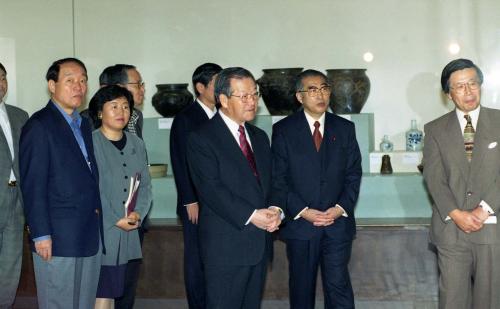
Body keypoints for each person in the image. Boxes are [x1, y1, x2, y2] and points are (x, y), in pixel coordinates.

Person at [186, 67, 282, 309]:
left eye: (254, 94)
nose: (252, 102)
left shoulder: (259, 136)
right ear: (224, 100)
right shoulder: (202, 138)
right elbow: (211, 189)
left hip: (258, 244)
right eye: (244, 96)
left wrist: (276, 209)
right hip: (225, 247)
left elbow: (272, 182)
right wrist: (253, 215)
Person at [271, 69, 362, 309]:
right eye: (312, 90)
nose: (320, 95)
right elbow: (279, 178)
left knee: (338, 286)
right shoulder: (284, 130)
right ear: (299, 97)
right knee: (301, 288)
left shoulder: (344, 128)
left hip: (336, 223)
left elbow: (353, 174)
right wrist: (302, 210)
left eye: (324, 88)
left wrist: (340, 208)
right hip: (301, 224)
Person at [19, 57, 103, 309]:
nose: (78, 87)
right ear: (52, 85)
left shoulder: (85, 123)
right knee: (59, 302)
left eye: (83, 81)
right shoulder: (39, 125)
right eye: (70, 81)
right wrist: (41, 233)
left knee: (84, 302)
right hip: (57, 235)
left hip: (88, 231)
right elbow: (33, 184)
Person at [423, 58, 500, 309]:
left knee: (490, 300)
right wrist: (456, 214)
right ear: (448, 93)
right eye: (459, 86)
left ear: (481, 85)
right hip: (451, 231)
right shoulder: (435, 129)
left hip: (492, 228)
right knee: (452, 301)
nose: (468, 91)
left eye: (473, 84)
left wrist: (484, 208)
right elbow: (434, 177)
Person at [81, 63, 146, 309]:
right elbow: (91, 190)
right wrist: (115, 217)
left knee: (117, 291)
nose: (122, 112)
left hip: (129, 230)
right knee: (102, 294)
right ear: (99, 112)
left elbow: (145, 184)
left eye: (126, 106)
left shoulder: (137, 144)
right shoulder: (90, 143)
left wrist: (138, 212)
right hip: (103, 230)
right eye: (114, 106)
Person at [170, 62, 222, 309]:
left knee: (216, 259)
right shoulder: (186, 118)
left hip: (220, 202)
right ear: (200, 87)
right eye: (216, 84)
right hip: (196, 203)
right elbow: (180, 161)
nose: (222, 88)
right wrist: (189, 199)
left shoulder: (224, 114)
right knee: (197, 260)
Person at [0, 62, 28, 308]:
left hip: (16, 200)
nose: (0, 84)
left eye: (2, 78)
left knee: (10, 265)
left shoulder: (20, 116)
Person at [81, 64, 145, 138]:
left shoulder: (137, 115)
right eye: (138, 84)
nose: (143, 89)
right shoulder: (87, 119)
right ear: (119, 87)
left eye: (142, 84)